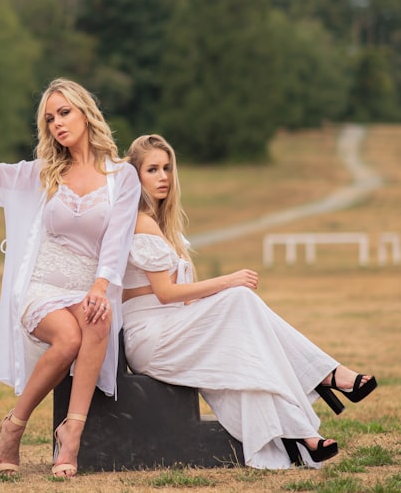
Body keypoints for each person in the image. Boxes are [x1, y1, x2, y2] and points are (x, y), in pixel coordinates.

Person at [121, 134, 378, 469]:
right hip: (150, 339)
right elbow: (166, 294)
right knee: (239, 296)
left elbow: (181, 302)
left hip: (173, 328)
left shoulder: (164, 226)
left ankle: (302, 435)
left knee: (246, 355)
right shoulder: (141, 224)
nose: (163, 176)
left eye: (167, 167)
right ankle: (326, 374)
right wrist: (227, 281)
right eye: (152, 169)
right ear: (135, 177)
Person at [0, 74, 140, 478]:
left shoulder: (122, 177)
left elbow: (118, 238)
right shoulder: (43, 173)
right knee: (68, 338)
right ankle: (15, 425)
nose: (57, 123)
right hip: (42, 286)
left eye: (64, 113)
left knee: (99, 318)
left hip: (89, 286)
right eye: (49, 119)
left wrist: (100, 287)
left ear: (86, 114)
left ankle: (71, 434)